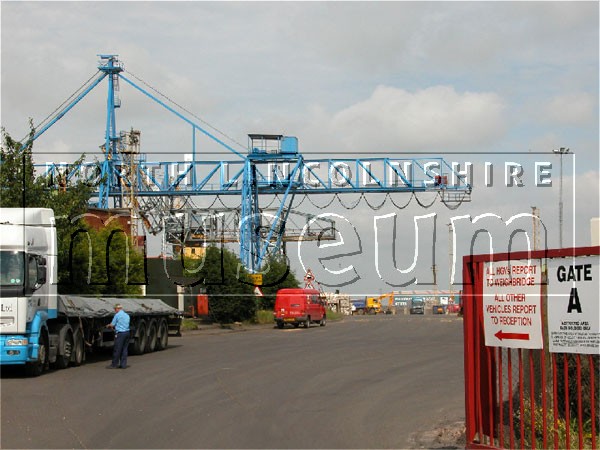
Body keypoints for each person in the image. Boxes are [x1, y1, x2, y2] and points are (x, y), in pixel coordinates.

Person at [106, 304, 131, 369]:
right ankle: (123, 365)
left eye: (115, 309)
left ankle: (114, 364)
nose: (115, 310)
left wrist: (108, 326)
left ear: (117, 309)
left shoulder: (117, 315)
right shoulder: (127, 315)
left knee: (117, 349)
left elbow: (112, 324)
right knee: (124, 349)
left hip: (120, 334)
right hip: (127, 333)